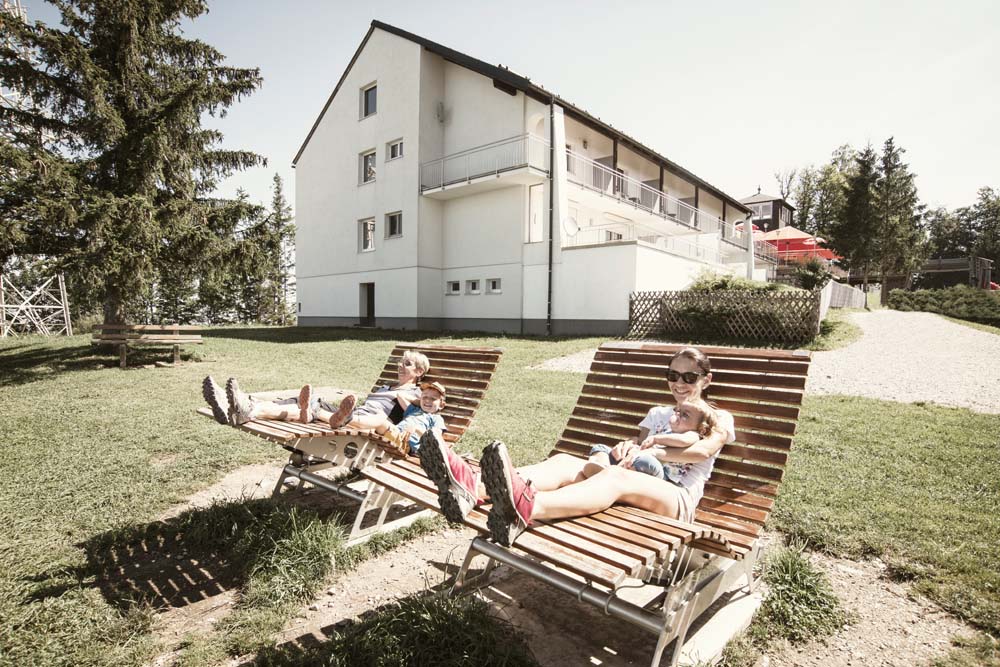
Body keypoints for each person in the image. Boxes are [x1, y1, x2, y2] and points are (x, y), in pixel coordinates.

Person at [417, 346, 735, 546]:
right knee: (567, 461)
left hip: (676, 499)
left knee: (615, 478)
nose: (679, 383)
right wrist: (628, 448)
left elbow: (704, 450)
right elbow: (636, 455)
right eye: (673, 374)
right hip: (638, 481)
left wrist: (654, 451)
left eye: (689, 377)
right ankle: (473, 487)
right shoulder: (658, 414)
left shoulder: (719, 417)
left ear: (706, 380)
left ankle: (527, 509)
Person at [201, 350, 430, 428]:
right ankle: (246, 406)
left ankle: (245, 406)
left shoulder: (417, 393)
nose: (400, 366)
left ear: (419, 372)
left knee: (309, 407)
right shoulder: (385, 385)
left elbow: (412, 413)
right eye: (400, 362)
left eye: (407, 364)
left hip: (370, 421)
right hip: (351, 413)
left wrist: (400, 393)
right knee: (306, 401)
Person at [585, 397, 721, 483]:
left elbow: (682, 442)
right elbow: (643, 445)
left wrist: (656, 439)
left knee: (644, 460)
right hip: (642, 464)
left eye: (685, 415)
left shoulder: (693, 434)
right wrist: (635, 448)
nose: (678, 415)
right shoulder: (669, 431)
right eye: (678, 411)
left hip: (664, 475)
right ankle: (600, 467)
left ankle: (610, 474)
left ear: (701, 428)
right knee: (601, 448)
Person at [369, 381, 448, 456]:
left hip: (406, 443)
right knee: (375, 419)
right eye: (425, 397)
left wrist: (417, 429)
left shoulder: (437, 418)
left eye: (433, 399)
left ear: (441, 405)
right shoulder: (414, 410)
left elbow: (435, 439)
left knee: (379, 420)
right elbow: (400, 395)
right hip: (394, 434)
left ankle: (356, 420)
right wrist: (420, 402)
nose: (427, 400)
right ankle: (356, 421)